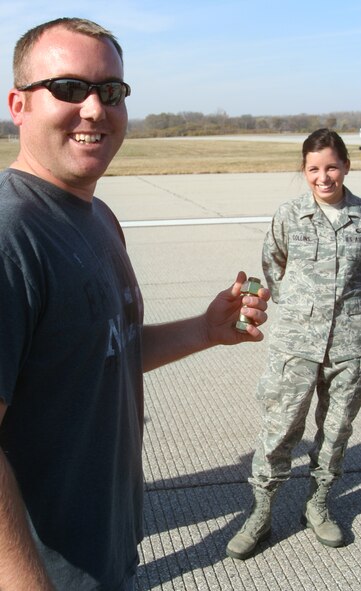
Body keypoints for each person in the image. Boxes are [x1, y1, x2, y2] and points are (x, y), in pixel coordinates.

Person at [0, 17, 270, 591]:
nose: (95, 109)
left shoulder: (97, 217)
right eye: (69, 88)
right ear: (18, 104)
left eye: (111, 91)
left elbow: (99, 354)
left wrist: (205, 329)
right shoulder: (11, 236)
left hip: (108, 548)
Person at [226, 128, 361, 561]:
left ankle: (317, 505)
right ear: (304, 171)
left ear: (346, 165)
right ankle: (261, 514)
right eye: (313, 169)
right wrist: (298, 311)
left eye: (331, 167)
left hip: (349, 347)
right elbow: (273, 262)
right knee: (280, 429)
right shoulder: (289, 215)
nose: (323, 178)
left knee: (337, 430)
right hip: (296, 346)